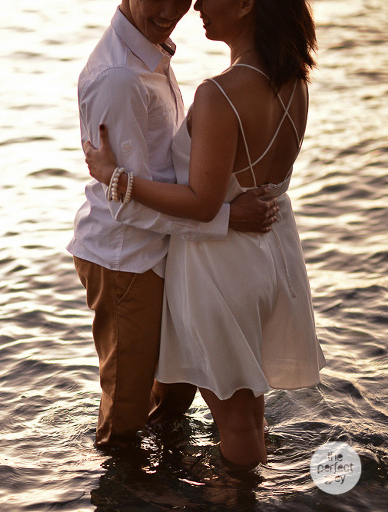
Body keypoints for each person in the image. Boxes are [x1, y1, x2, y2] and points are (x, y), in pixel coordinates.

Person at [83, 0, 326, 468]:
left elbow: (203, 203)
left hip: (220, 268)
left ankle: (238, 498)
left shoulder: (221, 93)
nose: (195, 4)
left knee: (234, 423)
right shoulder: (295, 80)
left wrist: (116, 176)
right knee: (249, 415)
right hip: (270, 255)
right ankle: (250, 489)